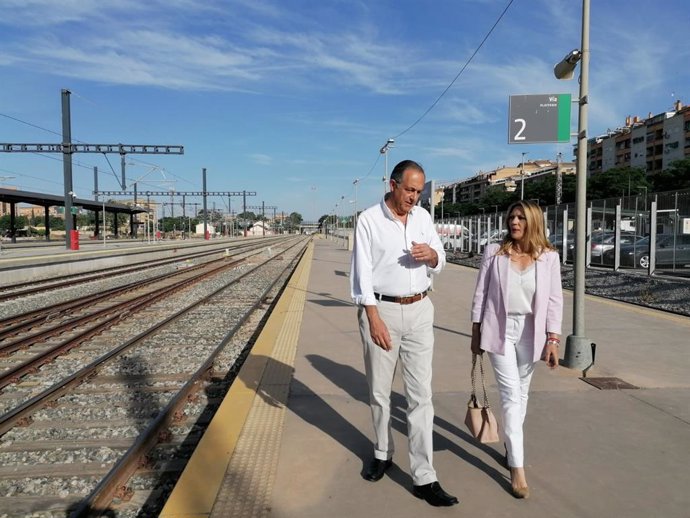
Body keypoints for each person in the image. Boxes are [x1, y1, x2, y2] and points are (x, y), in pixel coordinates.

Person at [350, 160, 458, 507]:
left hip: (420, 311)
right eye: (410, 190)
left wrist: (431, 256)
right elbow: (361, 275)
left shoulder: (424, 218)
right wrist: (373, 317)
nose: (414, 197)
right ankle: (383, 453)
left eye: (419, 191)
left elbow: (441, 259)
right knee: (380, 392)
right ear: (393, 184)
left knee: (420, 396)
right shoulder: (369, 220)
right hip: (381, 311)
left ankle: (425, 476)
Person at [470, 200, 562, 499]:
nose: (515, 222)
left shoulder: (548, 257)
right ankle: (517, 468)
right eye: (512, 217)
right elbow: (481, 292)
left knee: (522, 393)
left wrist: (553, 340)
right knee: (510, 395)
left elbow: (554, 301)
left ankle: (512, 443)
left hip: (531, 333)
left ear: (533, 221)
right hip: (499, 330)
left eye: (521, 217)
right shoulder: (495, 253)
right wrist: (475, 330)